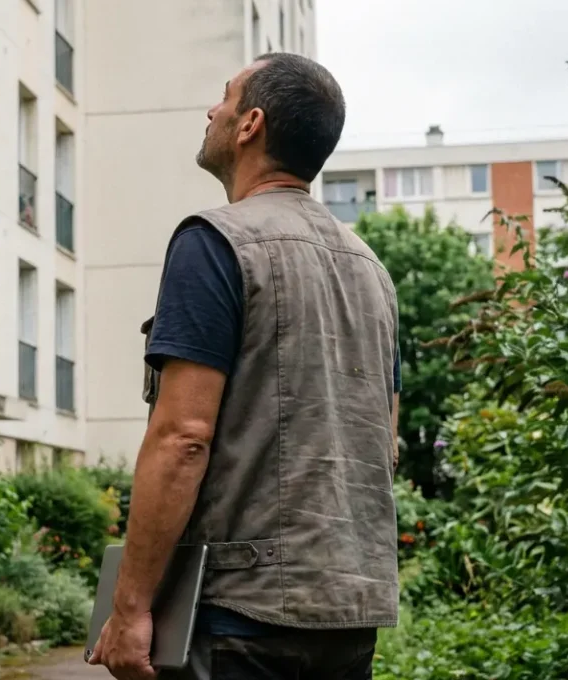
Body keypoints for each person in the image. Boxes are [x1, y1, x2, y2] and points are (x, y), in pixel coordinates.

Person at [87, 52, 401, 680]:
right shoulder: (374, 273)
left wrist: (130, 608)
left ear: (250, 123)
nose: (211, 109)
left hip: (238, 619)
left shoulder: (215, 241)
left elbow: (183, 438)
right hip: (350, 618)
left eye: (224, 97)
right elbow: (385, 445)